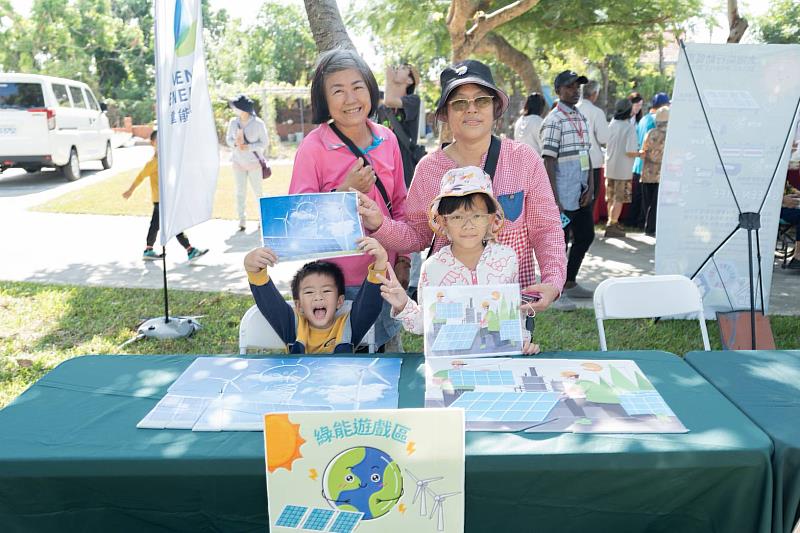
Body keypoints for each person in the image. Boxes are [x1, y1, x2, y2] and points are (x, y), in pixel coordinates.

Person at [358, 59, 566, 314]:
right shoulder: (428, 169)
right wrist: (379, 223)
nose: (471, 110)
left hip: (510, 312)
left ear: (495, 107)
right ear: (444, 114)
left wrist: (553, 281)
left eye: (481, 100)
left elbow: (546, 228)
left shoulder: (524, 159)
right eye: (459, 103)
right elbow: (417, 234)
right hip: (449, 313)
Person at [289, 48, 409, 351]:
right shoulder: (313, 147)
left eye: (357, 87)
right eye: (338, 91)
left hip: (384, 276)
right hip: (335, 287)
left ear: (370, 88)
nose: (351, 98)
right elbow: (297, 223)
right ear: (324, 100)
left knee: (387, 357)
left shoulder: (388, 138)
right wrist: (343, 191)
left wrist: (405, 259)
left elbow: (400, 203)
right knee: (343, 365)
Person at [378, 166, 538, 353]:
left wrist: (524, 341)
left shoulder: (507, 258)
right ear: (444, 221)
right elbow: (425, 325)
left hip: (499, 362)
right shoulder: (433, 268)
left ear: (490, 219)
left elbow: (513, 312)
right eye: (457, 217)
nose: (468, 225)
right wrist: (404, 304)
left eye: (477, 216)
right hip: (450, 365)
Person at [243, 237, 389, 353]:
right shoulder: (292, 325)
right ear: (299, 305)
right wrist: (253, 270)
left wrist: (381, 263)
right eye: (309, 292)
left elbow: (369, 305)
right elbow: (270, 304)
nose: (318, 297)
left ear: (339, 301)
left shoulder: (350, 325)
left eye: (326, 291)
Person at [540, 69, 594, 306]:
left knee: (586, 235)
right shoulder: (553, 120)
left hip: (580, 192)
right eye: (570, 86)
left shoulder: (580, 117)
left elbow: (586, 154)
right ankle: (555, 291)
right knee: (557, 243)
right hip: (562, 194)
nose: (575, 90)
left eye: (578, 86)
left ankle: (569, 281)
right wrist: (555, 199)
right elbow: (548, 161)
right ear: (558, 90)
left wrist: (590, 185)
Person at [122, 130, 208, 261]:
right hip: (161, 201)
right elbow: (140, 177)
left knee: (155, 225)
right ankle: (190, 250)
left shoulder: (167, 160)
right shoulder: (152, 163)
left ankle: (148, 249)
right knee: (175, 224)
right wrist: (130, 190)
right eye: (158, 142)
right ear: (152, 143)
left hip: (165, 200)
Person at [225, 94, 269, 232]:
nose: (234, 110)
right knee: (240, 193)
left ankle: (263, 219)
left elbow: (265, 143)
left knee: (258, 192)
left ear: (243, 109)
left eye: (236, 107)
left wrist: (249, 147)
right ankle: (242, 221)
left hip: (254, 163)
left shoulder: (258, 123)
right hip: (238, 162)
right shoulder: (233, 122)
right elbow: (228, 139)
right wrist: (236, 145)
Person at [376, 63, 424, 188]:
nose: (397, 68)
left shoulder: (413, 100)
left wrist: (388, 79)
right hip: (384, 167)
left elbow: (390, 100)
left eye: (403, 68)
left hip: (405, 169)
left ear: (409, 80)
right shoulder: (382, 109)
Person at [626, 92, 669, 228]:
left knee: (641, 200)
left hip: (640, 165)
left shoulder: (644, 119)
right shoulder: (657, 127)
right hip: (653, 168)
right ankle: (645, 225)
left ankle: (637, 223)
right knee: (650, 202)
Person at [603, 99, 641, 239]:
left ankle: (611, 221)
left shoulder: (611, 124)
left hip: (610, 166)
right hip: (623, 169)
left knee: (611, 198)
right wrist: (640, 153)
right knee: (619, 198)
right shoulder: (629, 127)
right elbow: (630, 151)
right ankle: (612, 224)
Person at [576, 81, 609, 205]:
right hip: (591, 160)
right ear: (594, 94)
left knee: (573, 199)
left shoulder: (571, 110)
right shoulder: (596, 112)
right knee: (590, 199)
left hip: (573, 160)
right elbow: (603, 138)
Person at [640, 106, 669, 236]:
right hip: (660, 175)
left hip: (647, 173)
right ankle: (651, 228)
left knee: (648, 202)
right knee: (656, 203)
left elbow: (644, 150)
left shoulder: (651, 133)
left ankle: (647, 226)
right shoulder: (669, 136)